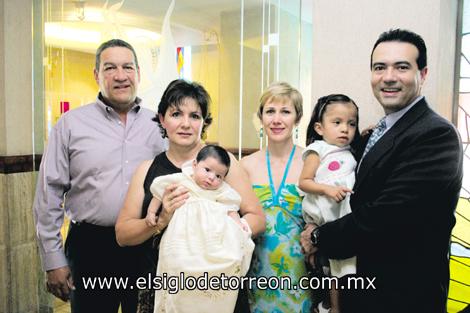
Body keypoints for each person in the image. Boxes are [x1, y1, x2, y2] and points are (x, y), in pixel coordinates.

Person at [300, 29, 463, 313]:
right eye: (379, 67)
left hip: (402, 297)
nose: (388, 76)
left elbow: (385, 217)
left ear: (422, 74)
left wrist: (318, 237)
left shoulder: (434, 134)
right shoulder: (377, 132)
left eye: (401, 67)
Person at [33, 39, 167, 313]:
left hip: (145, 244)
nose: (120, 75)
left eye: (127, 67)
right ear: (96, 75)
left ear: (138, 74)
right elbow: (49, 195)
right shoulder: (70, 125)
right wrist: (53, 259)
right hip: (91, 248)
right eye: (110, 68)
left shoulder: (159, 126)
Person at [115, 79, 265, 313]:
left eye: (194, 116)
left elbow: (257, 217)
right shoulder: (148, 169)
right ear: (162, 119)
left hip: (217, 286)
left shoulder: (223, 163)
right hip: (165, 286)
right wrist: (158, 221)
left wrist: (233, 227)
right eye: (176, 114)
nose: (186, 124)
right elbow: (122, 234)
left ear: (204, 122)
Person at [146, 144, 254, 313]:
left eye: (218, 176)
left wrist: (238, 225)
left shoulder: (222, 191)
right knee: (177, 266)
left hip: (210, 239)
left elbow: (232, 208)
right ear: (195, 165)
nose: (212, 178)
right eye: (207, 170)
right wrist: (152, 212)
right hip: (181, 236)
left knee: (223, 264)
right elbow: (160, 192)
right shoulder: (181, 180)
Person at [241, 81, 312, 312]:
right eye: (270, 111)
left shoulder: (311, 164)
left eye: (286, 111)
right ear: (261, 117)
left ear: (297, 118)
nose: (277, 119)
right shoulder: (244, 166)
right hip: (256, 276)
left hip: (301, 277)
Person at [299, 94, 361, 313]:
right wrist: (328, 189)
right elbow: (304, 182)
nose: (345, 129)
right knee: (328, 267)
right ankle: (331, 306)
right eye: (337, 123)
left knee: (339, 268)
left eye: (351, 124)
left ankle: (331, 306)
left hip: (341, 216)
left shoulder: (350, 152)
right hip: (323, 212)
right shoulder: (318, 149)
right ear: (319, 127)